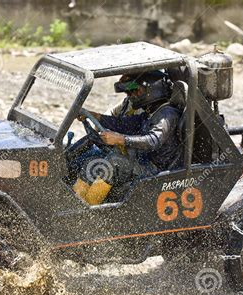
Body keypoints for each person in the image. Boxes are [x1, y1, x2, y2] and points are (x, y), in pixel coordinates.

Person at [73, 71, 183, 205]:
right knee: (92, 163)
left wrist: (121, 139)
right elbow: (122, 124)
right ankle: (75, 205)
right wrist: (97, 116)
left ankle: (89, 213)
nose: (131, 96)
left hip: (156, 169)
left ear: (151, 89)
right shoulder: (149, 112)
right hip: (142, 160)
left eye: (136, 91)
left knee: (113, 162)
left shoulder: (167, 114)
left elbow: (153, 140)